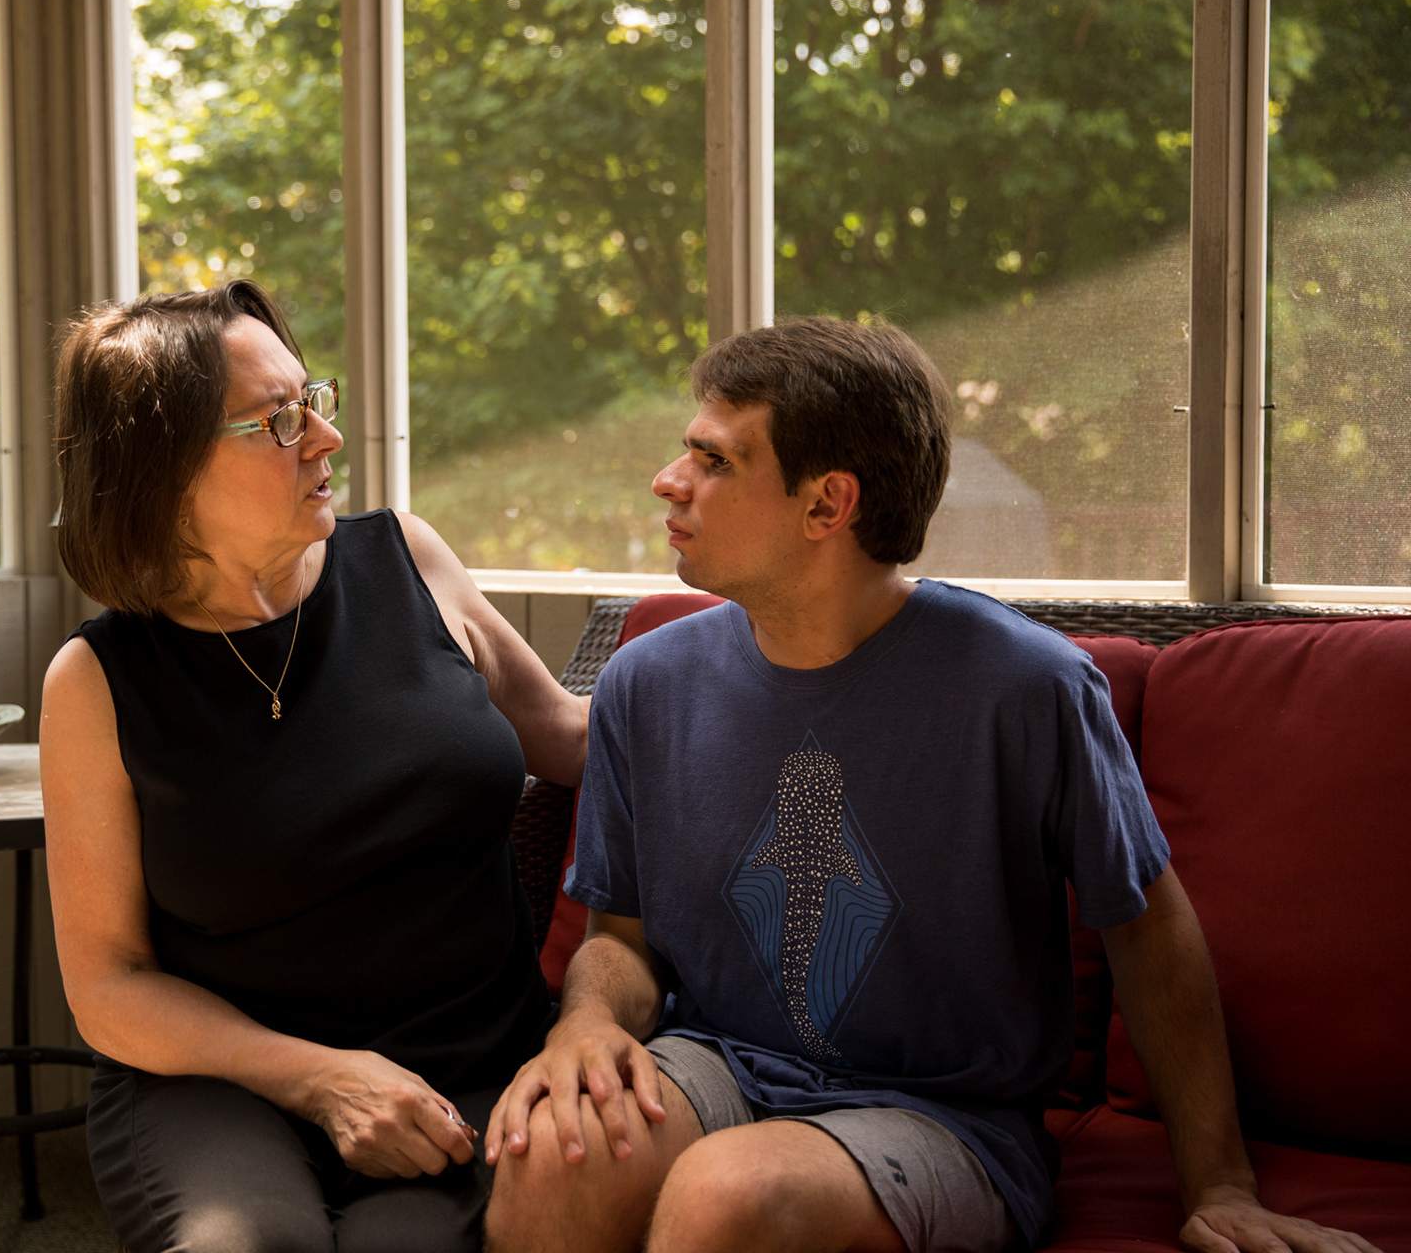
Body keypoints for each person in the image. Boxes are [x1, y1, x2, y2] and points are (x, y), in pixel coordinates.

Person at [481, 317, 1379, 1253]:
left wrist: (1222, 1185)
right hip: (713, 1063)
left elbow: (1147, 928)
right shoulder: (646, 680)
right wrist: (583, 1024)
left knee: (728, 1198)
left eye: (714, 459)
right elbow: (617, 937)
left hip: (944, 1114)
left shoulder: (1026, 689)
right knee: (549, 1163)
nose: (670, 481)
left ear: (827, 505)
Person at [39, 280, 587, 1253]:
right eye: (279, 420)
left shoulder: (410, 560)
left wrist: (757, 661)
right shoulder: (95, 681)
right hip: (219, 1081)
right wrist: (320, 1075)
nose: (326, 439)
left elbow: (571, 736)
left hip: (467, 1065)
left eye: (315, 400)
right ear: (161, 470)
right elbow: (109, 981)